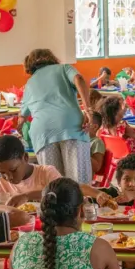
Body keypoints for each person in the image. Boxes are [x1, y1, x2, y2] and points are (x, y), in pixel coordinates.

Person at [20, 49, 95, 183]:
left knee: (54, 183)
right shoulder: (64, 68)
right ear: (51, 58)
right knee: (79, 183)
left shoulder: (29, 83)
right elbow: (79, 78)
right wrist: (88, 109)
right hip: (71, 126)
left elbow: (21, 119)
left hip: (42, 133)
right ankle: (81, 203)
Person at [0, 135, 62, 212]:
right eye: (2, 172)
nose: (9, 177)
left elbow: (64, 193)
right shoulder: (1, 184)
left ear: (25, 158)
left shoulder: (46, 173)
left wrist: (27, 196)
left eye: (13, 170)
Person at [88, 111, 106, 178]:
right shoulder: (79, 140)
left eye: (85, 122)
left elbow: (97, 167)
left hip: (84, 178)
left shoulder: (97, 142)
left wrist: (82, 150)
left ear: (95, 127)